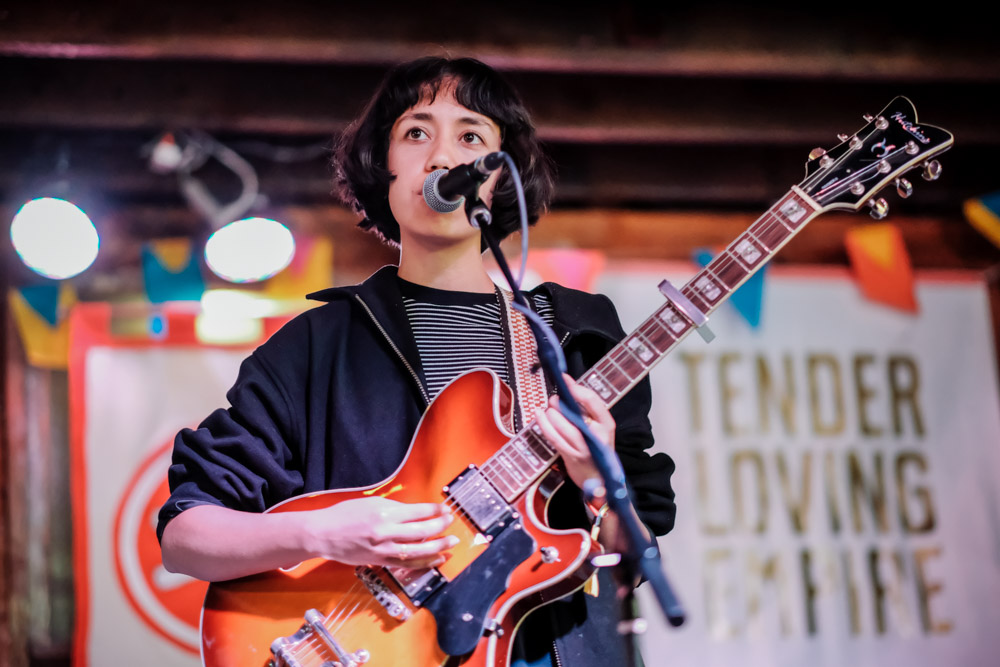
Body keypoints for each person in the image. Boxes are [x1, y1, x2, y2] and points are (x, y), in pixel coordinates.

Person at [158, 56, 676, 666]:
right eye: (416, 132)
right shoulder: (314, 347)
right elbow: (186, 537)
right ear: (386, 166)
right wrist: (323, 532)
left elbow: (634, 564)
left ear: (497, 179)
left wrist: (597, 480)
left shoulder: (577, 335)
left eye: (472, 137)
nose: (442, 158)